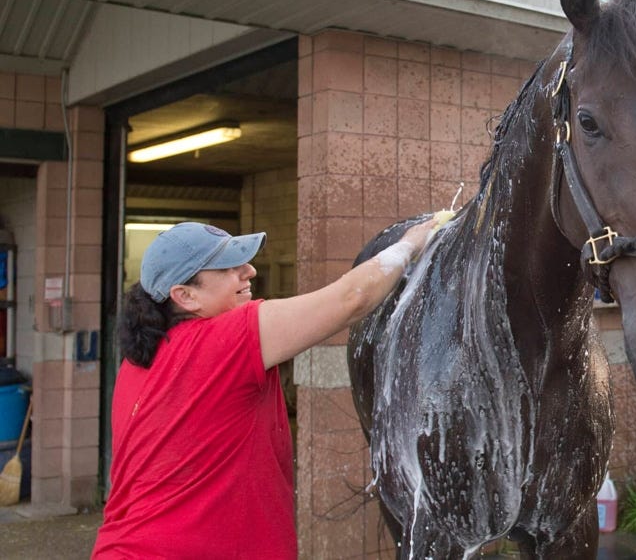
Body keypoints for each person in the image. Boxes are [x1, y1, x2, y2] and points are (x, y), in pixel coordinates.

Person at [93, 217, 436, 559]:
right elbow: (352, 299)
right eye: (228, 267)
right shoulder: (226, 341)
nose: (250, 272)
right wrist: (410, 244)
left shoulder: (138, 362)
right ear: (185, 296)